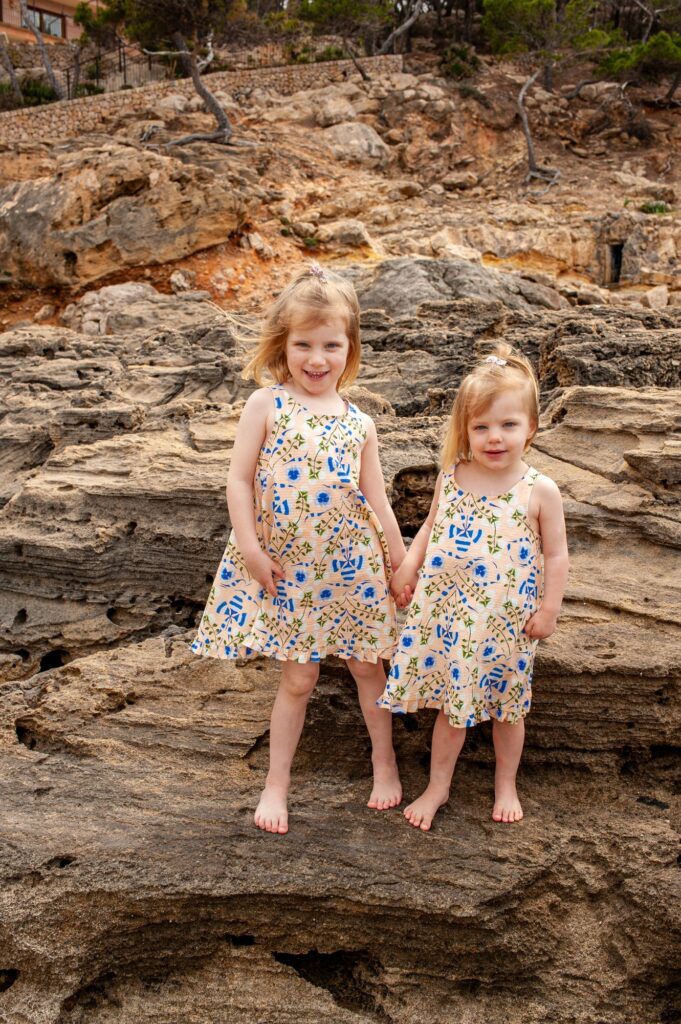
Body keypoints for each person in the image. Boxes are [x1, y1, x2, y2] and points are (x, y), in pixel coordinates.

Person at [192, 264, 405, 835]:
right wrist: (250, 548)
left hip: (353, 567)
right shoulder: (267, 404)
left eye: (331, 345)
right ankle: (276, 782)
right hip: (290, 568)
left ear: (350, 347)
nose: (317, 358)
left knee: (368, 667)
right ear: (282, 345)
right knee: (298, 679)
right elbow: (238, 480)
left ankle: (384, 764)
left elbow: (376, 499)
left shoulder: (359, 422)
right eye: (304, 344)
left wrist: (400, 559)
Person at [377, 344, 569, 830]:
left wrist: (549, 611)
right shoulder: (454, 475)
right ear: (464, 430)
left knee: (507, 710)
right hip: (450, 619)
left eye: (508, 425)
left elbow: (555, 555)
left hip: (507, 624)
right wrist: (408, 567)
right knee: (451, 709)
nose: (494, 437)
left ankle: (506, 782)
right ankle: (438, 786)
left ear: (532, 427)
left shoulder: (539, 489)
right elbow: (429, 527)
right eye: (480, 427)